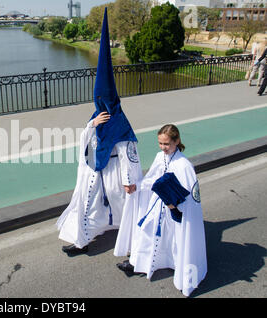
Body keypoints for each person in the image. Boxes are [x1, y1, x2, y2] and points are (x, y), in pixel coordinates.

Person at [56, 8, 142, 255]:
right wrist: (91, 126)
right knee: (87, 206)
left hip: (114, 173)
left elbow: (129, 153)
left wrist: (128, 181)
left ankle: (132, 243)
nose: (100, 104)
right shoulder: (97, 117)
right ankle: (81, 240)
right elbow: (86, 141)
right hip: (95, 171)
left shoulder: (120, 122)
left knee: (122, 207)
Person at [116, 124, 207, 297]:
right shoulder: (160, 157)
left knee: (172, 239)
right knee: (146, 231)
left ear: (177, 141)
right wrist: (138, 186)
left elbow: (189, 194)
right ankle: (137, 263)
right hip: (158, 205)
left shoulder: (184, 165)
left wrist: (175, 207)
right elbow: (153, 178)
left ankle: (175, 266)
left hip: (175, 210)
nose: (163, 148)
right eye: (160, 143)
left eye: (167, 144)